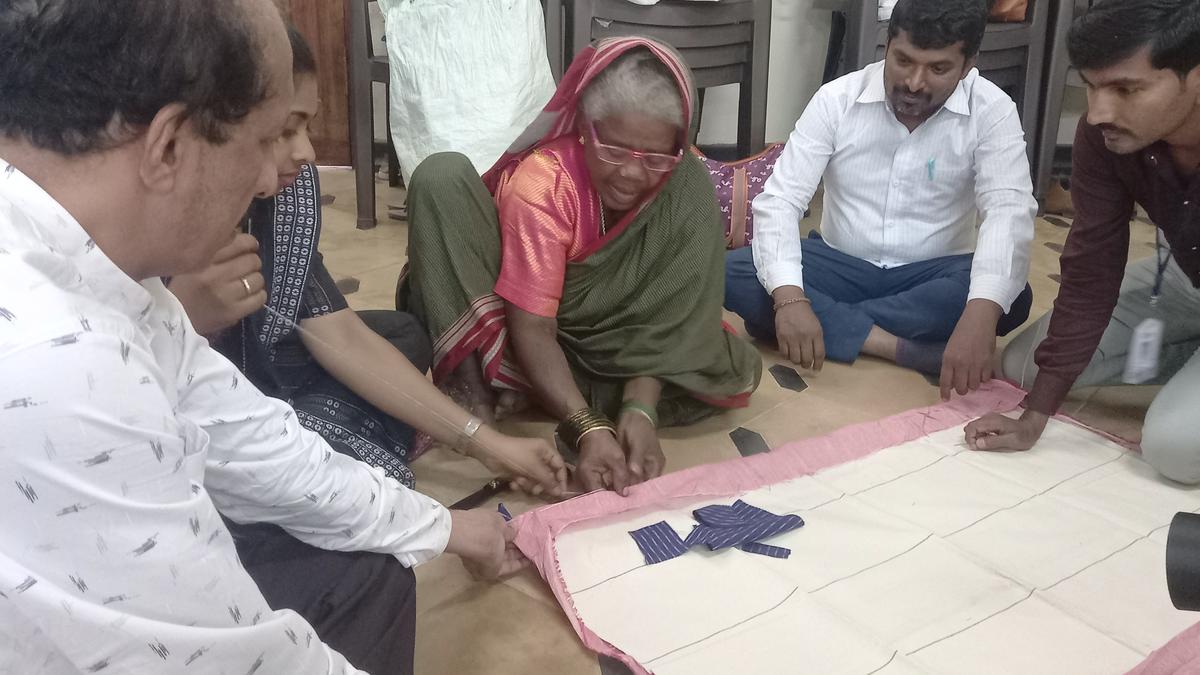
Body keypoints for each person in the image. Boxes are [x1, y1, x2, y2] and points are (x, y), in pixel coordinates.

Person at [0, 2, 521, 673]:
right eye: (270, 138)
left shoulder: (107, 273)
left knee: (364, 571)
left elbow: (249, 436)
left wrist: (446, 525)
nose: (281, 169)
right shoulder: (58, 359)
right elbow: (234, 657)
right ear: (169, 145)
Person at [168, 26, 566, 497]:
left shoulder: (287, 197)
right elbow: (104, 387)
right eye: (284, 130)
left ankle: (310, 438)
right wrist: (180, 316)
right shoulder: (152, 217)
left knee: (401, 337)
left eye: (306, 127)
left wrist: (486, 444)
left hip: (269, 362)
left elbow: (336, 332)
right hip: (177, 393)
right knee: (347, 546)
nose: (307, 152)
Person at [399, 37, 763, 495]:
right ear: (585, 129)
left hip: (611, 355)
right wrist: (588, 427)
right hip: (524, 336)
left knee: (725, 364)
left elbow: (668, 322)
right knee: (442, 176)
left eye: (655, 157)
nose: (632, 174)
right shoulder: (545, 183)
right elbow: (532, 328)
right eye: (612, 149)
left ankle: (552, 394)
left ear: (679, 144)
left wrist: (641, 411)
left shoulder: (684, 183)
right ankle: (489, 395)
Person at [724, 0, 1037, 400]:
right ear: (887, 45)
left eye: (938, 68)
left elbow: (1008, 211)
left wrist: (979, 316)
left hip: (933, 274)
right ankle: (900, 348)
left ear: (968, 64)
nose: (915, 82)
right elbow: (781, 200)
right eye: (903, 60)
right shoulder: (836, 99)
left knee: (1006, 297)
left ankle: (819, 321)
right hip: (840, 262)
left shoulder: (992, 110)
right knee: (732, 271)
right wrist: (788, 299)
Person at [965, 0, 1200, 483]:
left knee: (1174, 449)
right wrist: (1034, 416)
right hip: (1184, 279)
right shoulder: (1107, 138)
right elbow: (1093, 269)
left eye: (1126, 89)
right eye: (1090, 86)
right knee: (1025, 365)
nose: (1097, 113)